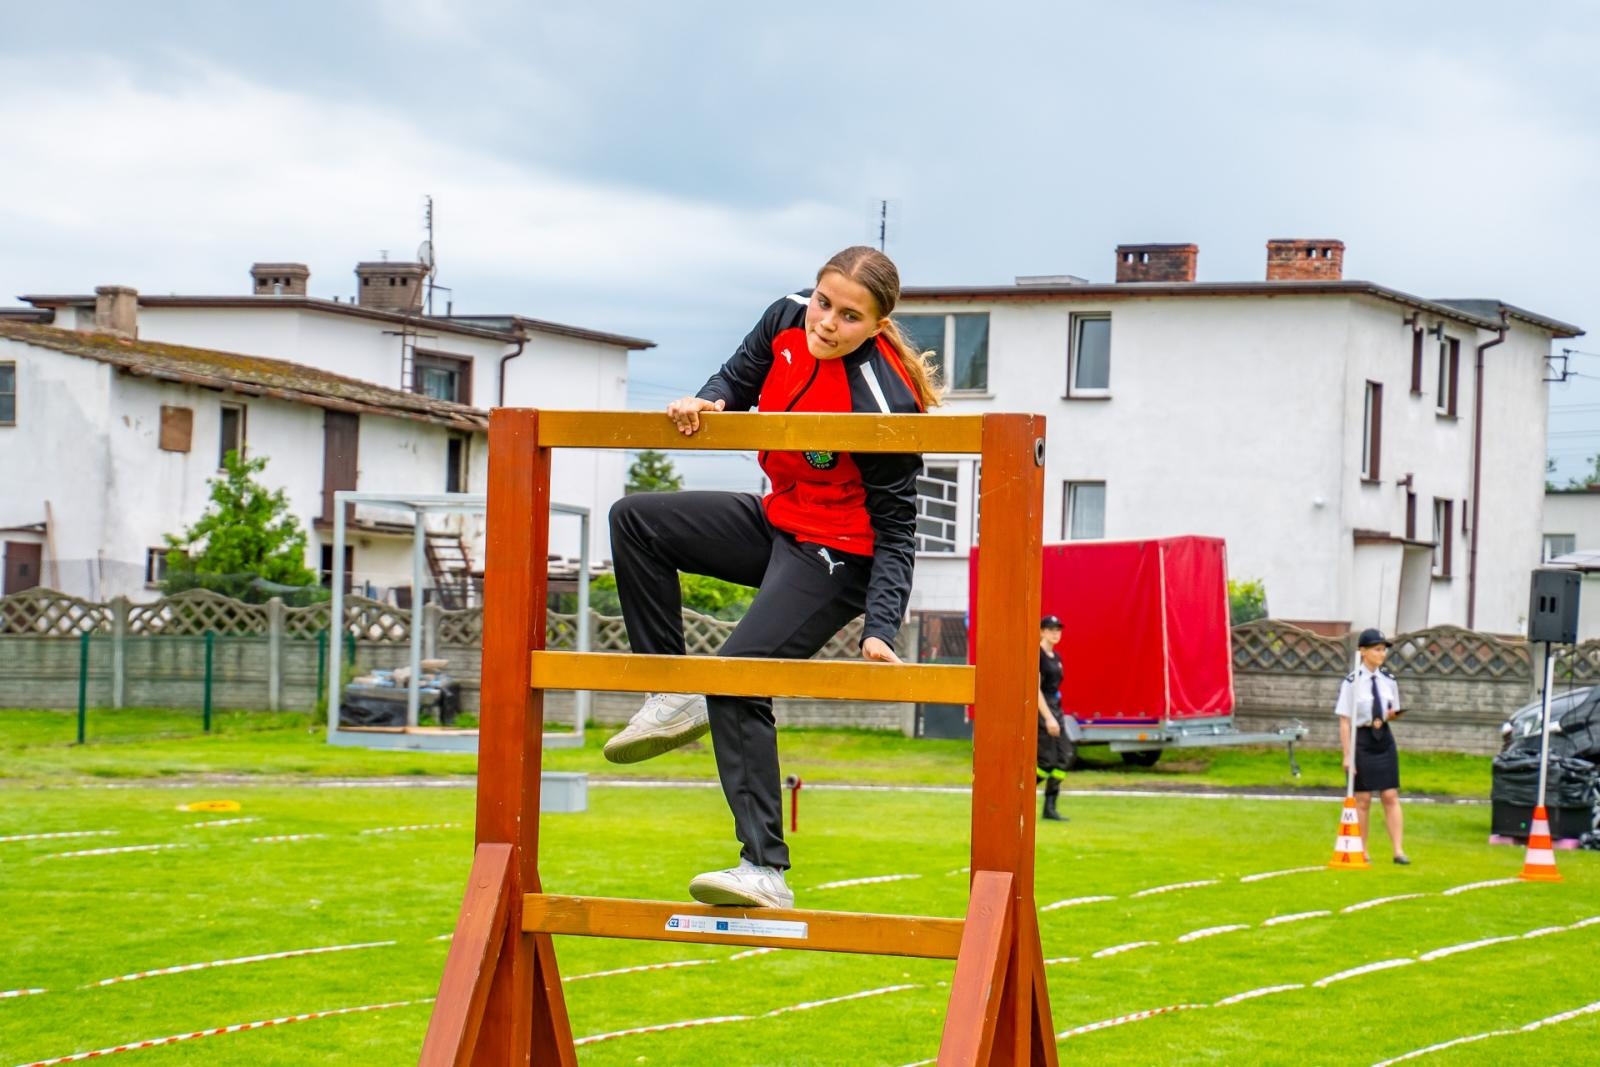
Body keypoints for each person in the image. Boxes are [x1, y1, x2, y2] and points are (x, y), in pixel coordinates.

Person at [603, 246, 942, 908]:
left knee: (736, 678)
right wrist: (705, 402)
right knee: (635, 520)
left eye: (849, 317)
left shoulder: (882, 400)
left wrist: (880, 623)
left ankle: (764, 868)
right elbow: (736, 377)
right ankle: (670, 691)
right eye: (824, 303)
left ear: (876, 327)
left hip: (842, 553)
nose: (826, 323)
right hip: (781, 520)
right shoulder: (784, 317)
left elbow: (899, 528)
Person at [1334, 628, 1410, 864]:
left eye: (1383, 649)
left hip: (1383, 738)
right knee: (1363, 798)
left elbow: (1391, 710)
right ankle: (1363, 850)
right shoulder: (1351, 682)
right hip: (1362, 739)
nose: (1381, 654)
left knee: (1390, 794)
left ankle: (1398, 850)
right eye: (1377, 649)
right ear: (1363, 652)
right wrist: (1348, 754)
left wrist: (1393, 715)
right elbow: (1345, 720)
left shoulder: (1389, 681)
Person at [1037, 615, 1070, 822]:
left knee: (1063, 758)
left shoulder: (1056, 657)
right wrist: (1048, 718)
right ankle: (1015, 795)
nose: (1055, 633)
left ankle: (1050, 808)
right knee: (1046, 762)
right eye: (1050, 629)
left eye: (1058, 629)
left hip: (1056, 707)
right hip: (1043, 709)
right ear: (1041, 631)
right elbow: (1035, 689)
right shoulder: (1038, 656)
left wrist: (1057, 713)